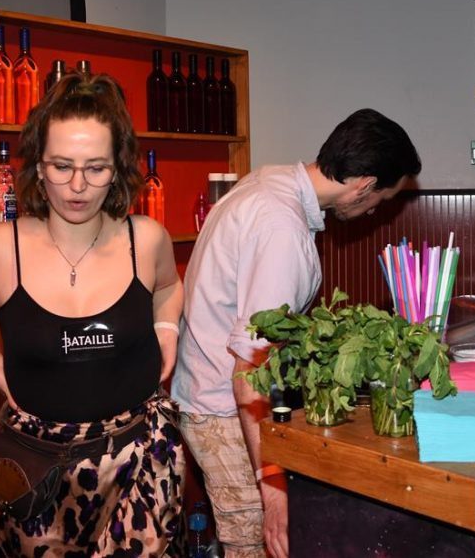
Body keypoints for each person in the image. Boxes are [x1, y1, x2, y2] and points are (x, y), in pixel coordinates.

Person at [0, 72, 185, 556]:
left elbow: (168, 286)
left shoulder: (146, 238)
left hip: (140, 460)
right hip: (39, 473)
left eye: (96, 168)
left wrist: (166, 326)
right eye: (62, 166)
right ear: (38, 166)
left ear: (117, 170)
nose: (78, 185)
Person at [171, 108, 421, 558]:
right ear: (364, 184)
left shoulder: (271, 180)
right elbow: (249, 371)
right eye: (381, 199)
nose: (374, 210)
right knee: (256, 544)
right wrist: (273, 490)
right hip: (225, 412)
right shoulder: (281, 228)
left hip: (207, 394)